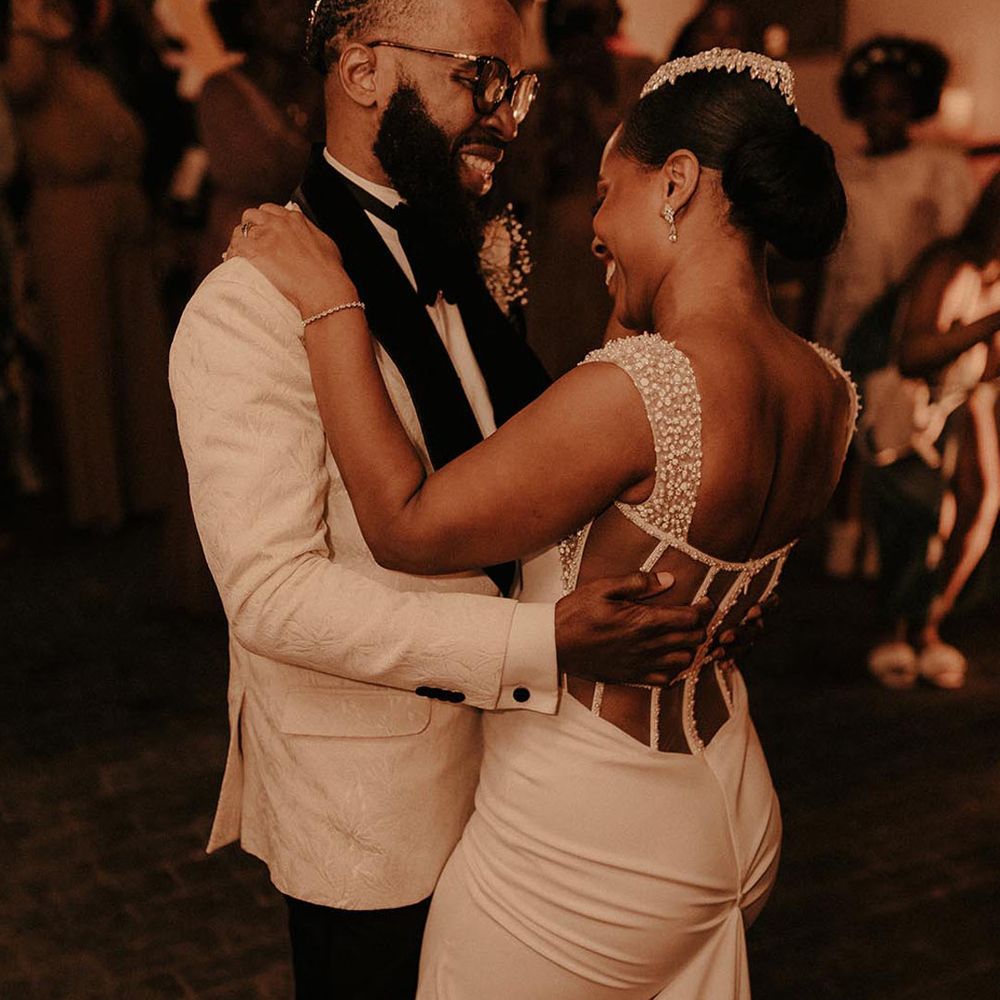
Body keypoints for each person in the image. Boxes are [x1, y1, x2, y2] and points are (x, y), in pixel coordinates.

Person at [231, 47, 854, 998]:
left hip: (593, 835)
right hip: (724, 795)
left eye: (609, 192)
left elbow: (403, 524)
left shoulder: (640, 392)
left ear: (677, 184)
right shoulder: (826, 388)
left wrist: (329, 303)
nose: (595, 225)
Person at [169, 1, 724, 996]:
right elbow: (271, 596)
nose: (508, 118)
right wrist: (543, 642)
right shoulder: (248, 306)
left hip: (522, 787)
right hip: (374, 815)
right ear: (362, 70)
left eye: (517, 87)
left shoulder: (462, 262)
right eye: (480, 77)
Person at [2, 0, 175, 530]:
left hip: (118, 211)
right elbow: (23, 81)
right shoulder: (29, 54)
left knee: (137, 349)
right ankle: (99, 499)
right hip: (70, 211)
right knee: (84, 356)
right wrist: (28, 22)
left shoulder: (91, 62)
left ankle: (146, 487)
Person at [815, 36, 975, 579]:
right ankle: (845, 533)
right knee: (850, 418)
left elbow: (954, 244)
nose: (884, 117)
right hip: (851, 309)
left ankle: (893, 542)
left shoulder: (937, 169)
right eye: (874, 104)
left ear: (915, 106)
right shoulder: (842, 169)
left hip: (906, 312)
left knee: (897, 423)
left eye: (896, 104)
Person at [862, 171, 1000, 689]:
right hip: (905, 403)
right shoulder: (952, 264)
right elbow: (913, 355)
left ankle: (930, 622)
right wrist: (991, 324)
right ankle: (895, 629)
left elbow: (984, 372)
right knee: (921, 513)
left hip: (960, 400)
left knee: (981, 501)